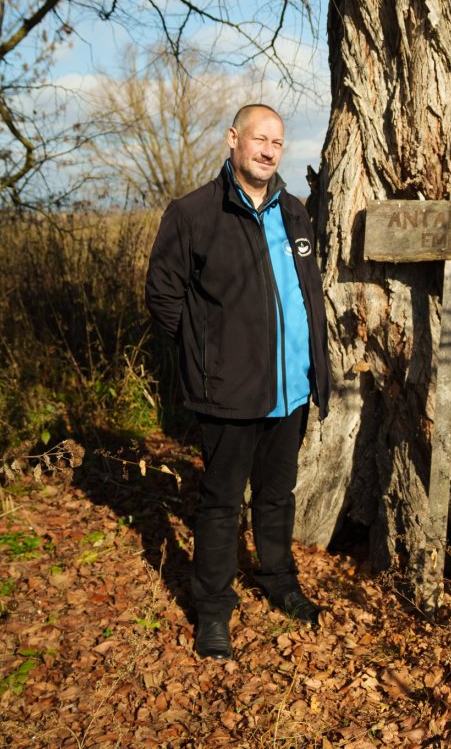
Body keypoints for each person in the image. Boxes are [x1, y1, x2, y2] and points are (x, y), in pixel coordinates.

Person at [146, 103, 330, 659]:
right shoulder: (194, 213)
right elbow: (163, 298)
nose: (269, 150)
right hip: (227, 393)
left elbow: (302, 295)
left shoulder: (295, 212)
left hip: (289, 389)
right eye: (259, 139)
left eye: (277, 142)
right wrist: (208, 357)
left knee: (277, 495)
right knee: (222, 504)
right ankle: (213, 612)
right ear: (233, 140)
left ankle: (279, 581)